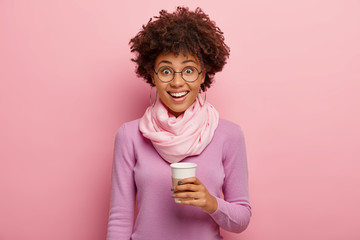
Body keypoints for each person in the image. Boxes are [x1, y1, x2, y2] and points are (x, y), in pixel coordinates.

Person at [107, 6, 251, 240]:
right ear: (152, 75)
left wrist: (211, 202)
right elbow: (120, 219)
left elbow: (241, 218)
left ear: (203, 75)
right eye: (166, 71)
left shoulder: (229, 135)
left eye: (189, 70)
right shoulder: (130, 135)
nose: (177, 82)